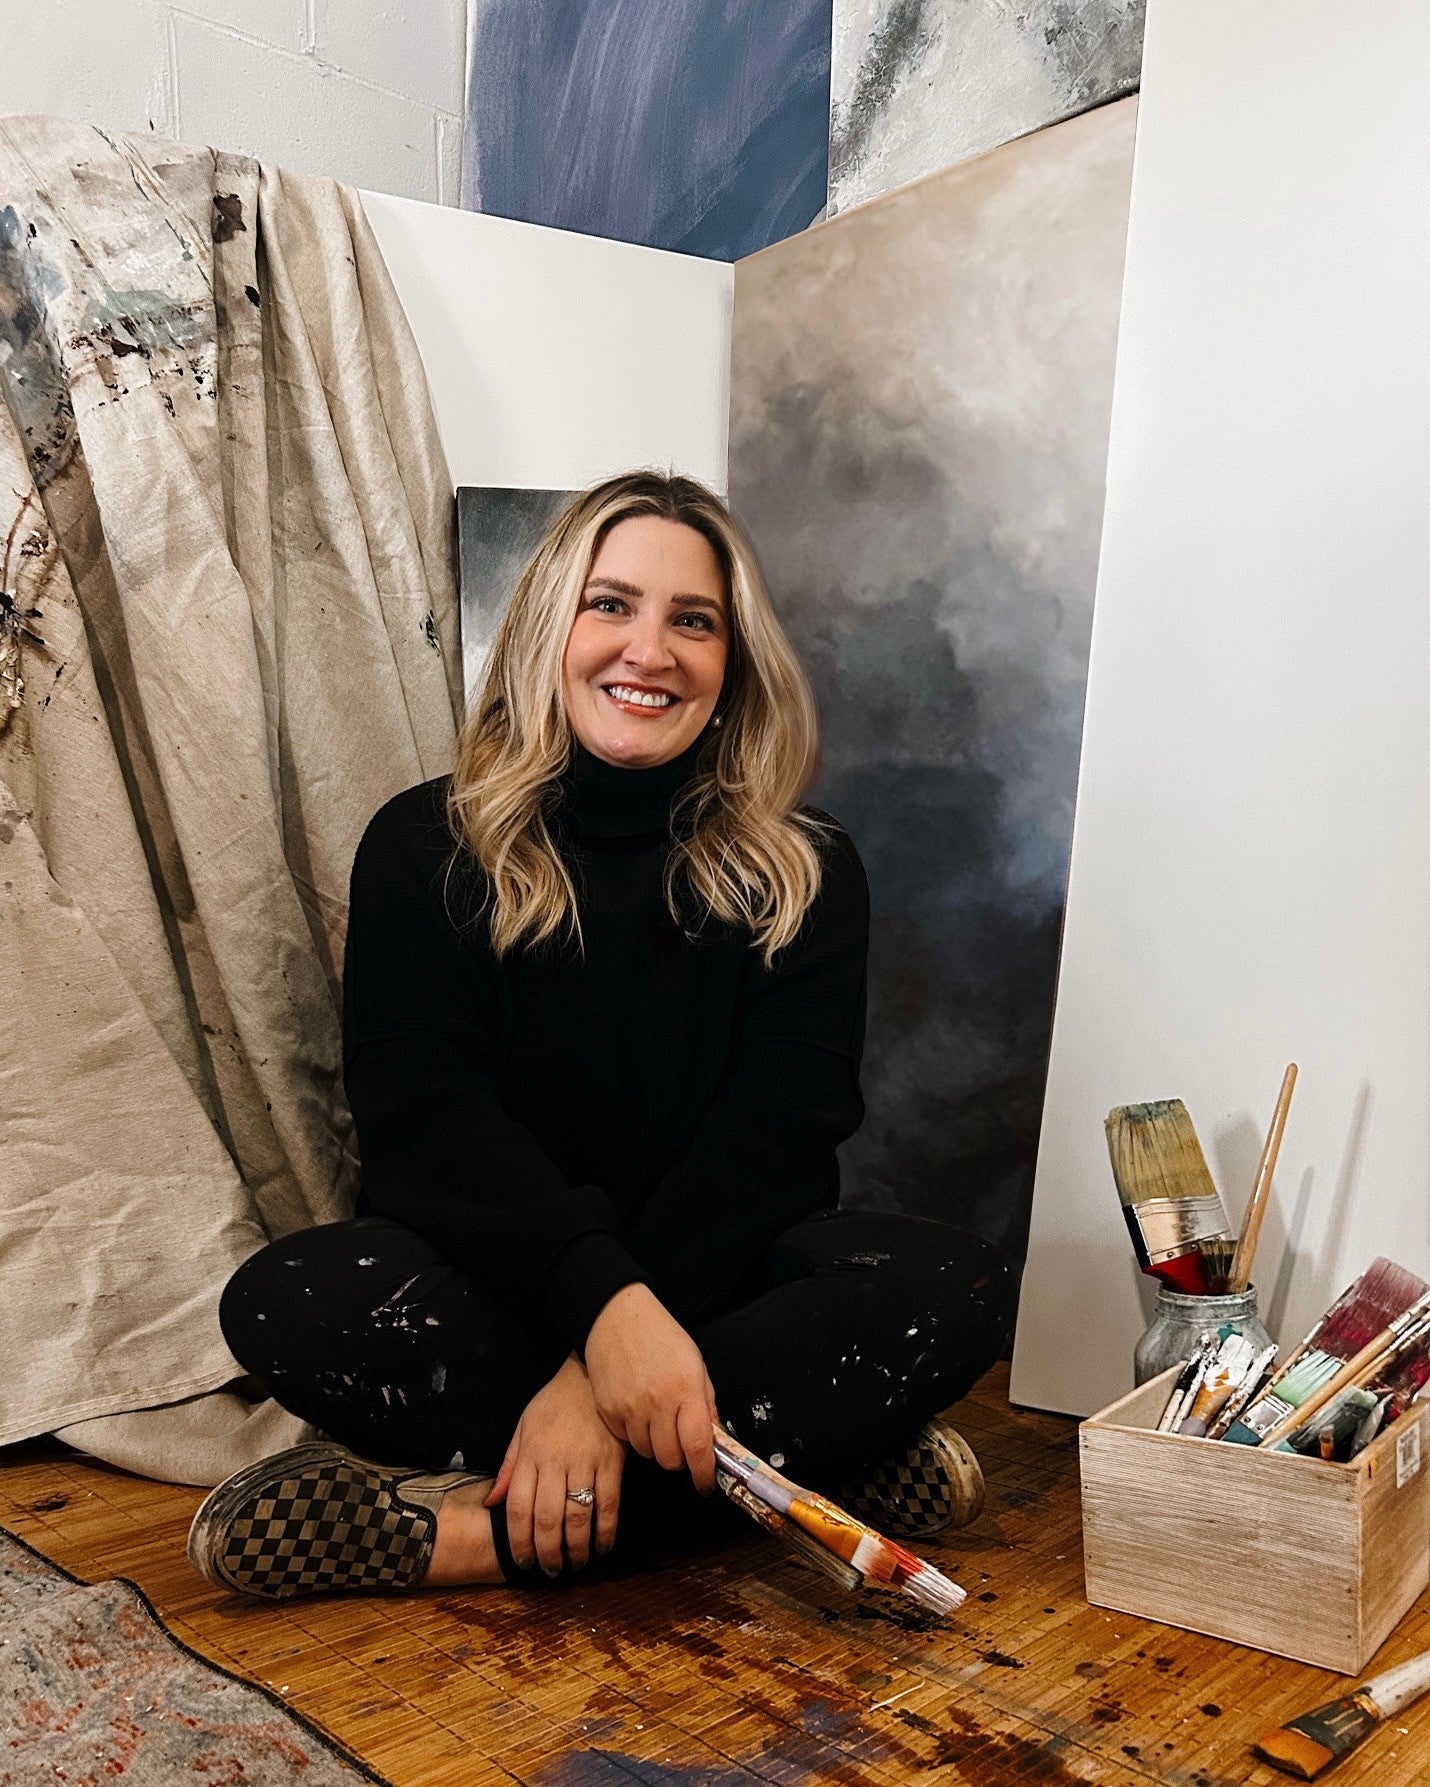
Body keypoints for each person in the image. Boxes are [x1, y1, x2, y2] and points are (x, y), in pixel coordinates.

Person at [188, 471, 1015, 1600]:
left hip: (712, 1292)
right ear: (547, 629)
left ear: (731, 667)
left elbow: (778, 1141)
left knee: (956, 1280)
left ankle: (483, 1536)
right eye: (609, 603)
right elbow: (425, 1129)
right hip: (501, 1284)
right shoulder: (423, 843)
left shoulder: (805, 866)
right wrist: (596, 1310)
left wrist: (599, 1376)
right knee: (284, 1298)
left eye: (693, 619)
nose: (650, 649)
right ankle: (797, 1487)